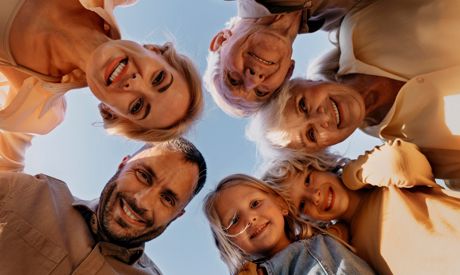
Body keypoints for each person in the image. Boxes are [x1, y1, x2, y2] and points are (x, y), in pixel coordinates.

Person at [246, 0, 460, 185]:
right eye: (311, 135)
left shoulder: (360, 22)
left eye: (303, 105)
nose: (322, 117)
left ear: (305, 82)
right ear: (325, 148)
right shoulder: (419, 154)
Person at [0, 0, 203, 171]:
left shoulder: (36, 111)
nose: (134, 83)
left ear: (111, 112)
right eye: (158, 78)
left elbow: (7, 181)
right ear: (155, 50)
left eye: (137, 106)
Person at [0, 137, 207, 274]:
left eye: (167, 199)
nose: (142, 201)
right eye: (143, 175)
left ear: (177, 215)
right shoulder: (27, 191)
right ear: (122, 165)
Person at [263, 139, 460, 274]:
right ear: (307, 220)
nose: (315, 195)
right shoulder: (348, 247)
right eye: (303, 205)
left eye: (308, 180)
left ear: (320, 165)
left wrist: (351, 174)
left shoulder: (382, 183)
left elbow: (399, 161)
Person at [204, 0, 361, 117]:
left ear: (221, 40)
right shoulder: (344, 19)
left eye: (233, 80)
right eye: (261, 92)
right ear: (288, 72)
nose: (253, 80)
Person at [203, 173, 375, 275]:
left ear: (281, 205)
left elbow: (345, 227)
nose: (250, 219)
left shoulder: (322, 237)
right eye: (234, 221)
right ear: (232, 245)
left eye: (255, 204)